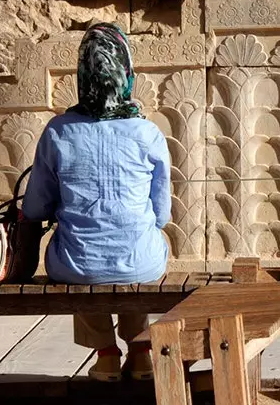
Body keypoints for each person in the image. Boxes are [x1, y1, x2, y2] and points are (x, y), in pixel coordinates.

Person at [22, 23, 171, 381]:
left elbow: (34, 209)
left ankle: (106, 355)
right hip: (142, 263)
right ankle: (140, 351)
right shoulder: (147, 132)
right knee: (141, 242)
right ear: (126, 72)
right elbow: (162, 215)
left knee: (78, 251)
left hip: (77, 266)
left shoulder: (58, 131)